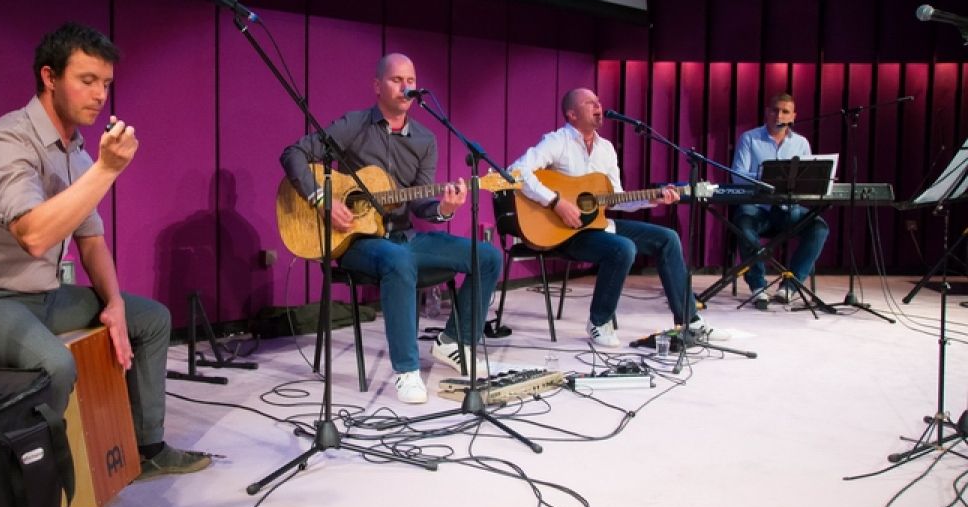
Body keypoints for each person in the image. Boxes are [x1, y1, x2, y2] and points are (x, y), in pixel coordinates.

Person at [0, 22, 211, 507]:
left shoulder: (78, 153)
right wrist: (108, 170)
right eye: (87, 80)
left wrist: (114, 305)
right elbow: (35, 235)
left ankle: (147, 446)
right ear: (49, 77)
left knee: (151, 319)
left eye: (105, 83)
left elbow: (91, 241)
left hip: (41, 297)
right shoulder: (6, 142)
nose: (99, 94)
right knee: (54, 366)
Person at [280, 53, 502, 404]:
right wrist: (322, 200)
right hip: (356, 241)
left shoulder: (425, 140)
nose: (405, 87)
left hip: (403, 236)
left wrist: (444, 209)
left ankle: (454, 342)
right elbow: (292, 153)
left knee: (487, 255)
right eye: (397, 80)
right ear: (377, 86)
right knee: (399, 260)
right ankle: (407, 370)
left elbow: (421, 204)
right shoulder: (354, 125)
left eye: (410, 81)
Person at [509, 88, 728, 348]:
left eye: (598, 102)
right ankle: (599, 321)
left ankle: (690, 321)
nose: (598, 106)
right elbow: (516, 171)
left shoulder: (606, 149)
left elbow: (616, 198)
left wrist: (652, 199)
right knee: (623, 248)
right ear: (572, 114)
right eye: (590, 103)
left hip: (598, 226)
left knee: (667, 238)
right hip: (563, 231)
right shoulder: (557, 142)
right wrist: (556, 202)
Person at [731, 93, 830, 309]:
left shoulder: (801, 143)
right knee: (744, 224)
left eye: (785, 111)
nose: (779, 115)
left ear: (793, 116)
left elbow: (807, 181)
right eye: (775, 110)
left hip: (788, 210)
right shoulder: (749, 138)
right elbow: (738, 175)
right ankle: (758, 286)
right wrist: (769, 177)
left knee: (819, 227)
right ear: (767, 113)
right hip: (758, 209)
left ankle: (790, 286)